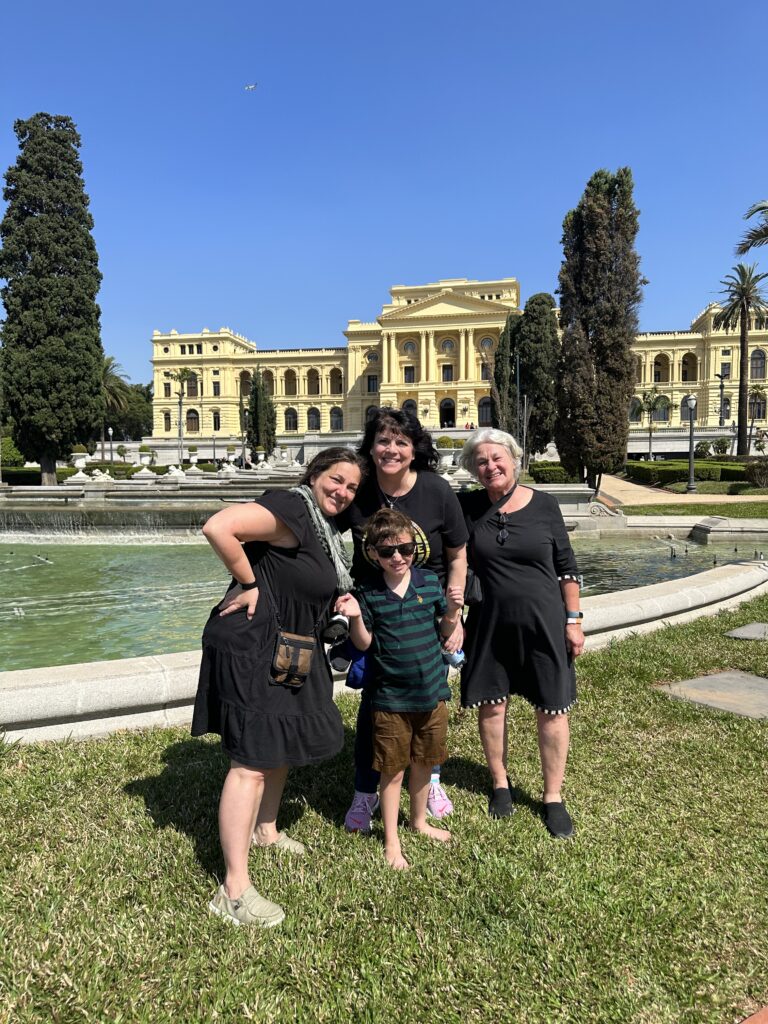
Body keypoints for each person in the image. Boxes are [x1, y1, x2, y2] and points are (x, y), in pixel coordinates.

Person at [191, 446, 367, 927]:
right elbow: (218, 526)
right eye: (335, 479)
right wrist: (246, 582)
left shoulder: (325, 530)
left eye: (351, 487)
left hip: (290, 645)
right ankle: (233, 891)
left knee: (282, 742)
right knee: (250, 761)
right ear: (314, 476)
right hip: (256, 644)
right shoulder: (292, 507)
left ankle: (265, 830)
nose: (342, 491)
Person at [336, 407, 468, 833]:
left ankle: (428, 783)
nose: (391, 449)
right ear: (370, 447)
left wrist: (456, 612)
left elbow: (458, 555)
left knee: (428, 701)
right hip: (374, 611)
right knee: (376, 707)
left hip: (427, 611)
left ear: (415, 450)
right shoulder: (360, 490)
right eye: (382, 440)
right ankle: (365, 788)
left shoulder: (436, 490)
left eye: (401, 442)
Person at [457, 428, 584, 839]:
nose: (490, 466)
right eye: (481, 461)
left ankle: (552, 796)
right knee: (492, 706)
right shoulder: (467, 507)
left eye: (497, 458)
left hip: (544, 623)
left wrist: (574, 619)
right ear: (472, 470)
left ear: (514, 459)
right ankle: (499, 783)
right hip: (489, 624)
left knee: (552, 708)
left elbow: (566, 566)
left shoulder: (545, 505)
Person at [336, 509, 464, 869]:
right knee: (391, 771)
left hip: (432, 693)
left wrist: (453, 611)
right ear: (373, 553)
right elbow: (363, 644)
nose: (397, 557)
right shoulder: (368, 592)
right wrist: (356, 617)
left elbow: (443, 630)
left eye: (404, 549)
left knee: (425, 762)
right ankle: (391, 839)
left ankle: (418, 821)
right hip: (389, 698)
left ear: (415, 549)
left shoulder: (427, 582)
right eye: (388, 551)